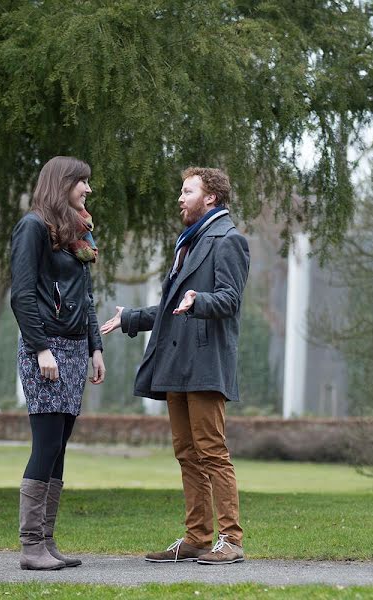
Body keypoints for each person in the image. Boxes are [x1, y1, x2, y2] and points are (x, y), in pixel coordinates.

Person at [100, 167, 249, 565]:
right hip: (176, 363)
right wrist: (131, 318)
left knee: (212, 452)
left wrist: (199, 300)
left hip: (204, 363)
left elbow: (230, 300)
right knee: (186, 452)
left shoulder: (229, 241)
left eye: (188, 191)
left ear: (211, 198)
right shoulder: (188, 242)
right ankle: (198, 536)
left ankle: (231, 539)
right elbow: (170, 309)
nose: (180, 198)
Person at [10, 156, 106, 570]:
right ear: (61, 183)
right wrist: (40, 348)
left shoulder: (73, 235)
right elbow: (22, 294)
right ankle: (31, 546)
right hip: (46, 349)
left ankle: (47, 543)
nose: (87, 189)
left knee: (59, 450)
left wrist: (95, 347)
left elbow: (84, 297)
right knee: (46, 444)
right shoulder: (33, 227)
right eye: (81, 182)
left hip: (72, 349)